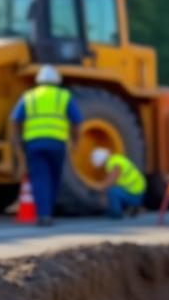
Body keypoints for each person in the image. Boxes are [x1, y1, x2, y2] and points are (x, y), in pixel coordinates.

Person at [10, 65, 82, 226]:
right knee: (53, 178)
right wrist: (75, 141)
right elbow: (76, 121)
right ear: (56, 81)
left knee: (39, 178)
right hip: (57, 144)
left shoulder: (29, 96)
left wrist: (16, 139)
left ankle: (44, 215)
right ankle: (48, 212)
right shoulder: (64, 96)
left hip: (34, 144)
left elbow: (15, 119)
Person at [91, 147, 147, 219]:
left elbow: (110, 181)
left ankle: (116, 213)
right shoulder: (117, 159)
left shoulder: (114, 163)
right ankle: (133, 207)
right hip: (137, 190)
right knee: (114, 190)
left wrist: (98, 187)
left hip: (136, 194)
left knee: (112, 191)